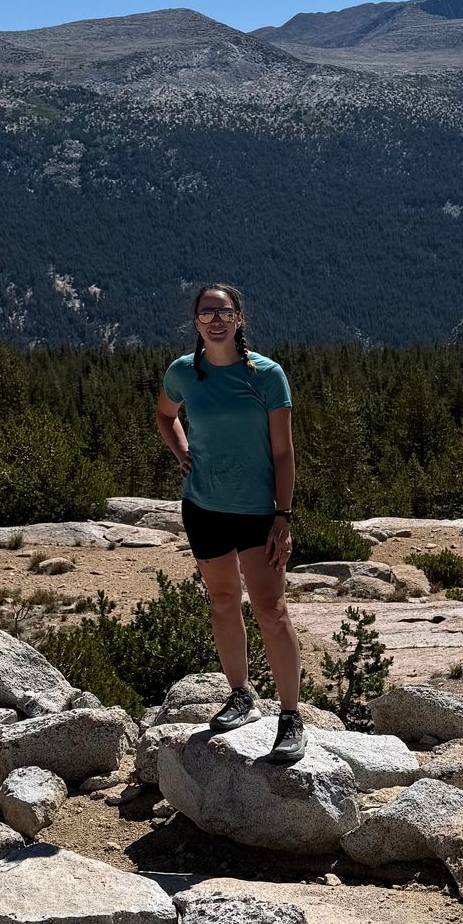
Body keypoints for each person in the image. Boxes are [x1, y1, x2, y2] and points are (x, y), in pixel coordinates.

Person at [155, 282, 305, 764]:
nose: (214, 320)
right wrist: (182, 453)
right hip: (204, 506)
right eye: (206, 313)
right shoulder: (183, 371)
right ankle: (241, 695)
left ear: (239, 318)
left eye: (224, 312)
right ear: (195, 321)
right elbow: (164, 414)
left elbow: (283, 452)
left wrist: (282, 515)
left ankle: (290, 717)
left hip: (258, 511)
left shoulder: (266, 375)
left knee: (271, 611)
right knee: (223, 601)